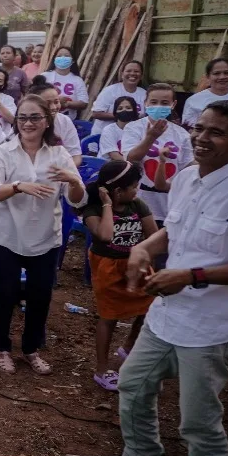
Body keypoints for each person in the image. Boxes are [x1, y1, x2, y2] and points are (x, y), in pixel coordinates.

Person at [98, 101, 228, 456]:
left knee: (197, 419)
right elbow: (175, 229)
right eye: (198, 128)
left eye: (215, 132)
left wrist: (191, 275)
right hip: (169, 312)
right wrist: (145, 247)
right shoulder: (189, 177)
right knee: (134, 383)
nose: (200, 138)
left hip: (212, 326)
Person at [0, 94, 86, 375]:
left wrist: (75, 181)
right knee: (6, 291)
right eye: (23, 117)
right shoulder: (2, 151)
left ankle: (30, 349)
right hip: (5, 234)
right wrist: (18, 186)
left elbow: (77, 200)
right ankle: (1, 348)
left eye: (35, 117)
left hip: (45, 236)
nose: (28, 123)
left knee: (40, 295)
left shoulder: (59, 155)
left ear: (46, 121)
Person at [81, 160, 159, 392]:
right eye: (134, 186)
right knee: (109, 317)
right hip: (108, 268)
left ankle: (128, 347)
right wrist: (107, 205)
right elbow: (105, 235)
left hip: (137, 265)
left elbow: (153, 236)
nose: (137, 190)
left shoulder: (138, 205)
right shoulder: (93, 210)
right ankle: (102, 370)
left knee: (149, 308)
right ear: (117, 191)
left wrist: (143, 260)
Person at [121, 82, 192, 219]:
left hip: (170, 200)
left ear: (173, 104)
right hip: (140, 197)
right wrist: (150, 138)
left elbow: (188, 166)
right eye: (153, 102)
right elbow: (131, 158)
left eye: (165, 103)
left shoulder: (182, 134)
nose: (159, 106)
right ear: (146, 103)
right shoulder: (133, 128)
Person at [30, 80, 84, 165]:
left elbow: (75, 155)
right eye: (47, 103)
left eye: (56, 102)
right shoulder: (26, 123)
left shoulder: (64, 121)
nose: (53, 107)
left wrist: (64, 172)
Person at [90, 61, 147, 137]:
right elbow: (96, 113)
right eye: (128, 71)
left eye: (136, 71)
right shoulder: (110, 91)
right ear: (122, 74)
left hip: (131, 136)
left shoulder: (144, 93)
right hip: (103, 135)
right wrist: (122, 115)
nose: (132, 73)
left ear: (141, 75)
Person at [182, 57, 228, 127]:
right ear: (208, 76)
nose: (222, 77)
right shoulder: (193, 100)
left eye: (227, 73)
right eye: (216, 73)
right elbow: (188, 128)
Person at [42, 46, 88, 118]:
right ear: (54, 59)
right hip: (47, 118)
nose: (62, 58)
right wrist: (55, 101)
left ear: (73, 60)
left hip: (69, 119)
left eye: (66, 56)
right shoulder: (44, 76)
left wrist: (67, 104)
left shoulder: (77, 80)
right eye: (59, 56)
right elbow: (35, 96)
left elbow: (84, 103)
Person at [100, 95, 139, 161]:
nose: (124, 110)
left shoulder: (139, 128)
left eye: (128, 108)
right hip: (111, 165)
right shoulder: (108, 130)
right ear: (115, 112)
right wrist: (132, 165)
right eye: (120, 108)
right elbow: (114, 155)